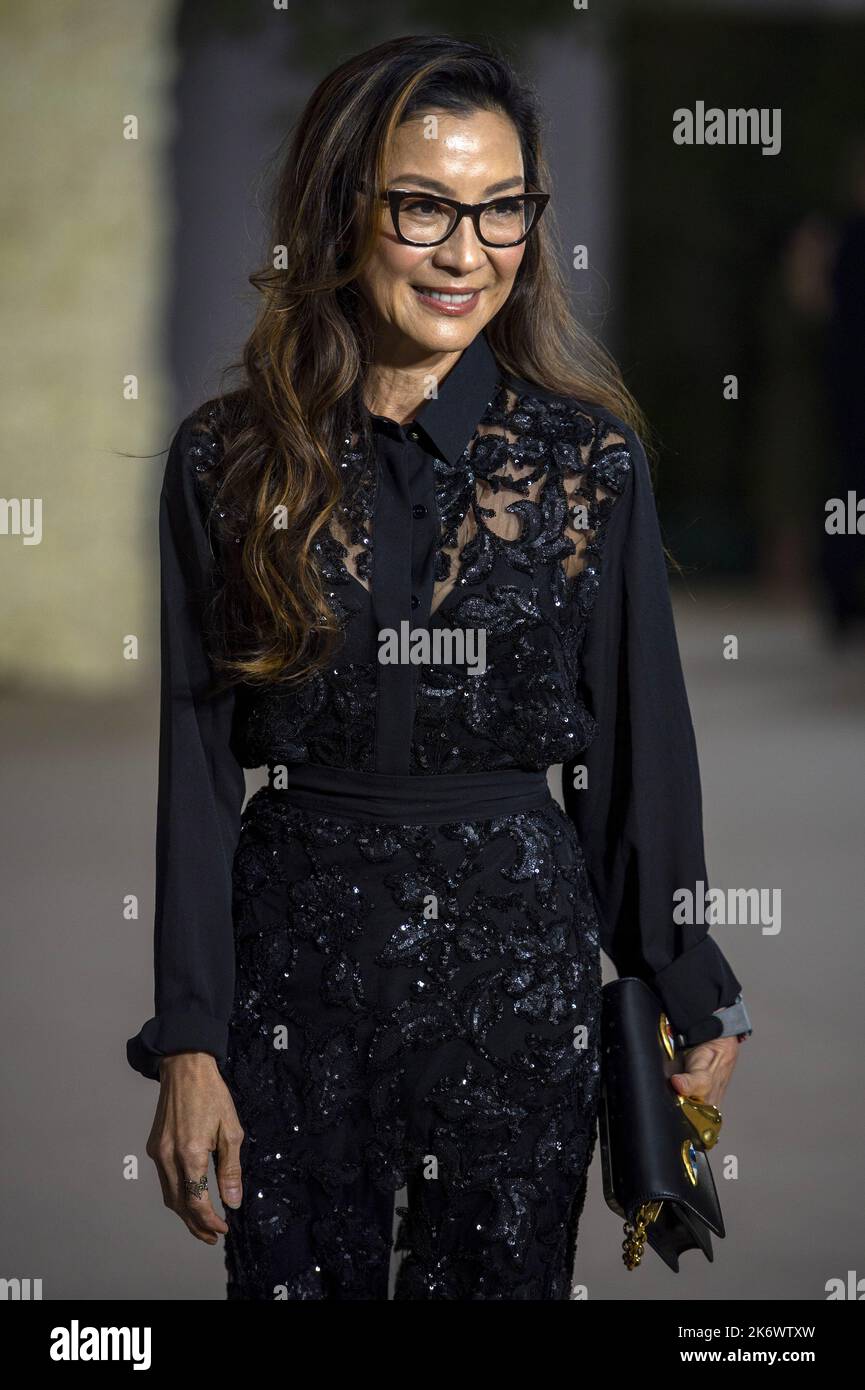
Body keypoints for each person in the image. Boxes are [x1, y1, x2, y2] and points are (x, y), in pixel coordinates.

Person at [127, 34, 750, 1301]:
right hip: (294, 976)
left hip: (518, 976)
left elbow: (639, 754)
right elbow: (194, 777)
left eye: (504, 209)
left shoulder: (590, 464)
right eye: (424, 207)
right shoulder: (224, 463)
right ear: (344, 209)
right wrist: (191, 1041)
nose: (469, 252)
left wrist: (685, 977)